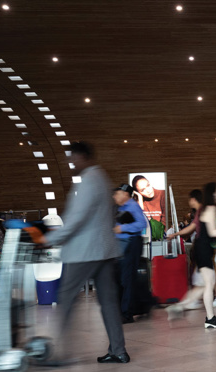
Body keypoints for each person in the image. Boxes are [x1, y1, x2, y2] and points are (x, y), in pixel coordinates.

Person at [37, 141, 129, 364]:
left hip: (85, 252)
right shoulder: (103, 178)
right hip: (105, 251)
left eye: (73, 158)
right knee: (108, 302)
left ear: (84, 158)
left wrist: (49, 239)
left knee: (66, 298)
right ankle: (119, 350)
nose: (70, 163)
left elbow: (76, 219)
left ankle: (61, 354)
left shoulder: (88, 181)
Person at [166, 184, 216, 328]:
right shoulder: (211, 208)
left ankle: (178, 308)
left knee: (203, 284)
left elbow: (197, 228)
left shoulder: (204, 209)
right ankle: (210, 318)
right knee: (209, 283)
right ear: (213, 193)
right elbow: (213, 232)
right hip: (204, 249)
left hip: (200, 248)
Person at [112, 183, 147, 324]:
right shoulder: (120, 208)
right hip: (122, 245)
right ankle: (125, 309)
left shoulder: (132, 206)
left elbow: (142, 224)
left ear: (125, 194)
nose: (115, 196)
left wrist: (123, 228)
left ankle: (127, 313)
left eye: (118, 193)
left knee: (127, 279)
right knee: (121, 278)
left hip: (132, 244)